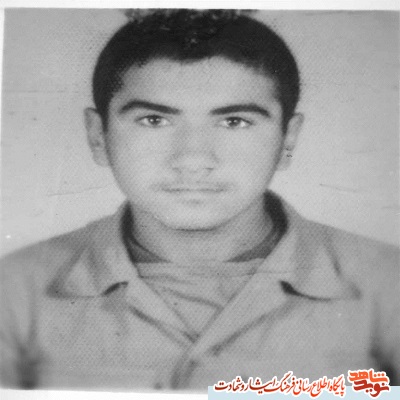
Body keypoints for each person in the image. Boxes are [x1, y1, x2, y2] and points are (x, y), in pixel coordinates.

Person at [0, 9, 398, 391]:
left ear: (287, 140)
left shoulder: (388, 284)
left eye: (234, 121)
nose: (192, 159)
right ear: (98, 136)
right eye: (154, 120)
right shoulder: (14, 290)